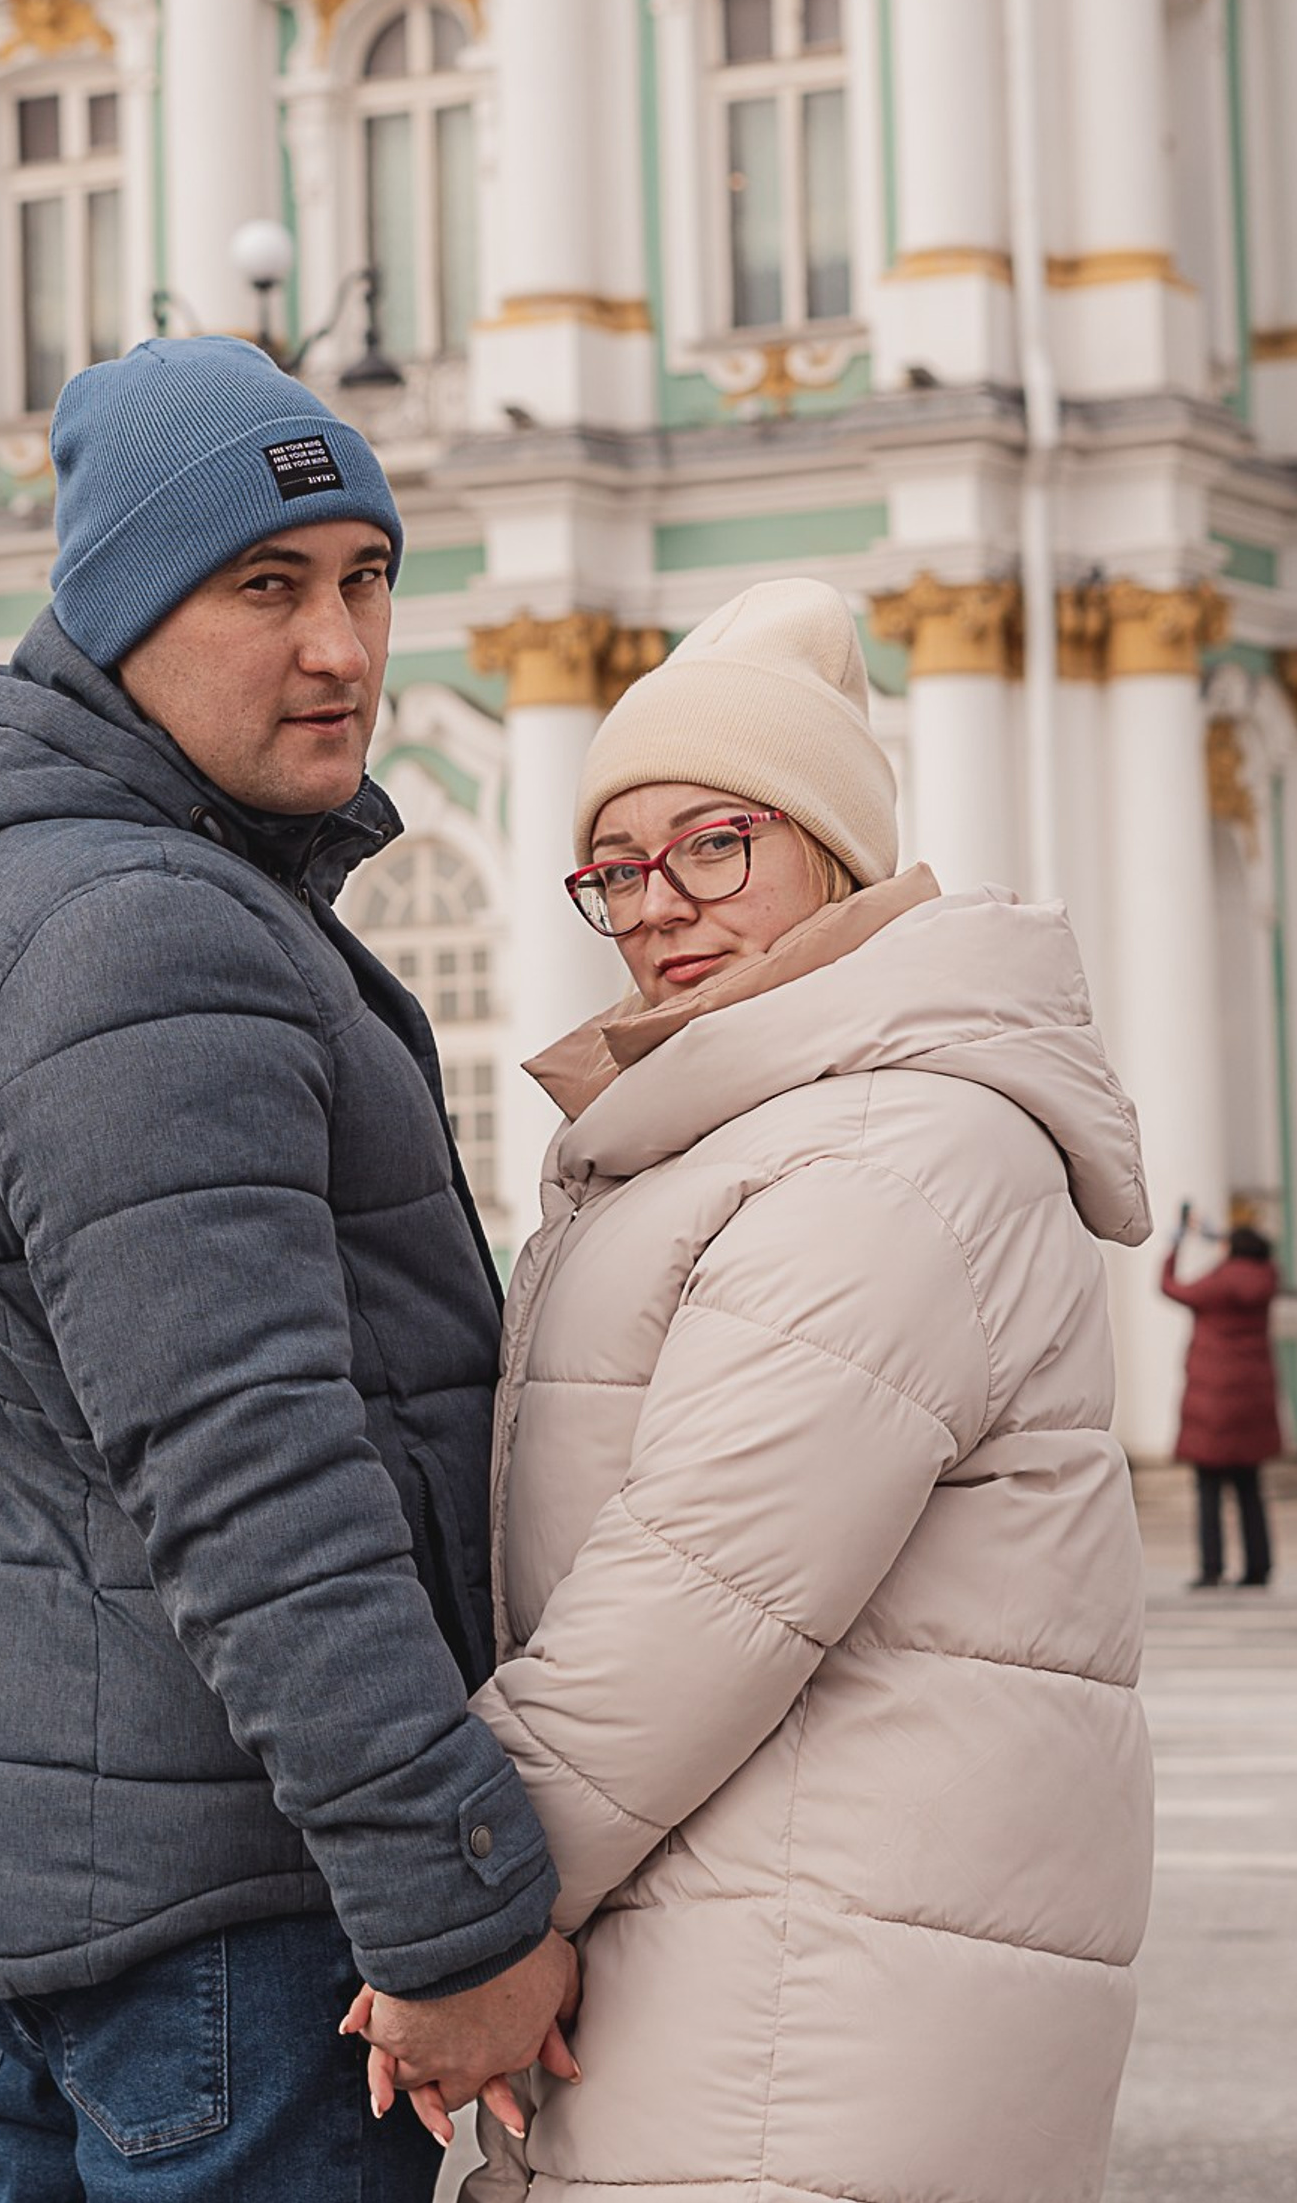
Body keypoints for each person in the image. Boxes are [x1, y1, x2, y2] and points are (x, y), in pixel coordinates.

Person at [0, 337, 572, 2200]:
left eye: (369, 577)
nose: (343, 648)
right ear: (123, 610)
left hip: (67, 1903)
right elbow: (252, 1474)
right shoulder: (142, 934)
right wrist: (454, 1907)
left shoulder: (8, 891)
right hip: (225, 1923)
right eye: (265, 587)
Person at [357, 580, 1157, 2202]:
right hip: (756, 1936)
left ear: (837, 857)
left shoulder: (894, 1150)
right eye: (617, 866)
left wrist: (462, 1913)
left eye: (716, 844)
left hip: (814, 1983)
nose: (656, 904)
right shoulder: (747, 1125)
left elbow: (690, 1604)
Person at [1160, 1208, 1284, 1591]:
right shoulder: (1265, 1278)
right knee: (1250, 1488)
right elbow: (1245, 1258)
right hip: (1254, 1401)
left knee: (1209, 1489)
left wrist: (1176, 1244)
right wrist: (1222, 1240)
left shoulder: (1219, 1283)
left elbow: (1171, 1287)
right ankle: (1258, 1567)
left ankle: (1212, 1568)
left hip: (1213, 1401)